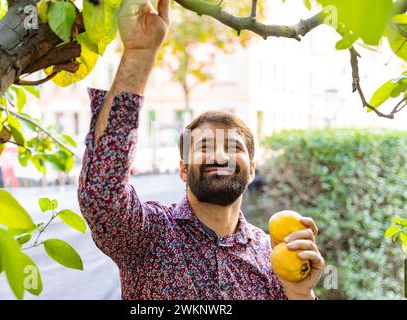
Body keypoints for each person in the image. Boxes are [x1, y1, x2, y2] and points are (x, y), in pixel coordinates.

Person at [77, 0, 325, 299]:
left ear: (253, 170)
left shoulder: (271, 258)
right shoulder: (147, 235)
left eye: (233, 147)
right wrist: (139, 54)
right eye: (205, 146)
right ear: (183, 168)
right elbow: (101, 194)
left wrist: (300, 294)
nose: (219, 156)